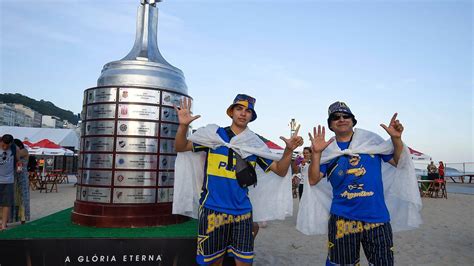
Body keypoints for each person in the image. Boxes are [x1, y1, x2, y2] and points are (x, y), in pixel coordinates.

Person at [174, 94, 303, 265]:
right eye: (239, 109)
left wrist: (288, 151)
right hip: (212, 210)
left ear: (252, 116)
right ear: (231, 112)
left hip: (242, 213)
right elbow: (181, 146)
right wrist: (183, 126)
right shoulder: (213, 135)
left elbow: (280, 170)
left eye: (248, 111)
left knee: (244, 262)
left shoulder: (254, 143)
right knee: (213, 262)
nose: (243, 113)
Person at [306, 101, 410, 266]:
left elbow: (399, 162)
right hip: (343, 218)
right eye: (336, 117)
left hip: (377, 218)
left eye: (346, 116)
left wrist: (396, 139)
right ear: (331, 125)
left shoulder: (371, 142)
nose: (341, 119)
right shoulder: (328, 149)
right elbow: (312, 180)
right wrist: (317, 154)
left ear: (353, 121)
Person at [0, 134, 20, 230]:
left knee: (6, 203)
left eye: (7, 146)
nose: (5, 147)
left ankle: (3, 225)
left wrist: (18, 167)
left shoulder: (14, 148)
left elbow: (18, 161)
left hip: (8, 180)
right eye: (3, 145)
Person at [12, 139, 30, 224]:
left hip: (22, 176)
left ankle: (24, 216)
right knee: (15, 197)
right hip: (14, 176)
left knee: (23, 196)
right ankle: (15, 216)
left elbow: (17, 156)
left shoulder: (24, 151)